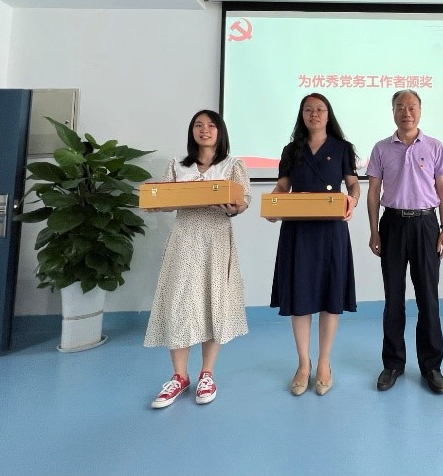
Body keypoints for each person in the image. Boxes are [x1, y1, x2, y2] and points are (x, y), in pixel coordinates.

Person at [144, 109, 251, 408]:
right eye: (198, 125)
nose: (205, 130)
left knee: (212, 301)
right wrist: (156, 205)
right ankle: (179, 376)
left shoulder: (233, 165)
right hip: (185, 238)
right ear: (192, 132)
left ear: (220, 131)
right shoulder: (177, 165)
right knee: (179, 302)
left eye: (211, 125)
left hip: (216, 238)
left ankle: (207, 374)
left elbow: (243, 202)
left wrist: (234, 208)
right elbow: (165, 199)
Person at [267, 93, 359, 397]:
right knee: (300, 295)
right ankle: (303, 364)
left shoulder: (342, 148)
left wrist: (353, 200)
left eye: (320, 109)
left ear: (328, 115)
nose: (314, 114)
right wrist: (273, 204)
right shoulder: (291, 150)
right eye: (308, 110)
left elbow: (353, 183)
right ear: (302, 115)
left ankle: (324, 363)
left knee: (331, 295)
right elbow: (283, 185)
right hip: (298, 229)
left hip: (331, 230)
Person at [366, 89, 443, 395]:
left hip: (426, 224)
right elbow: (373, 192)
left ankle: (431, 366)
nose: (407, 112)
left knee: (428, 297)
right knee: (393, 297)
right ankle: (393, 364)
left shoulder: (434, 146)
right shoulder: (381, 149)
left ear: (420, 110)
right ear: (393, 112)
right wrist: (374, 230)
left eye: (412, 107)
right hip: (392, 224)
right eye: (400, 107)